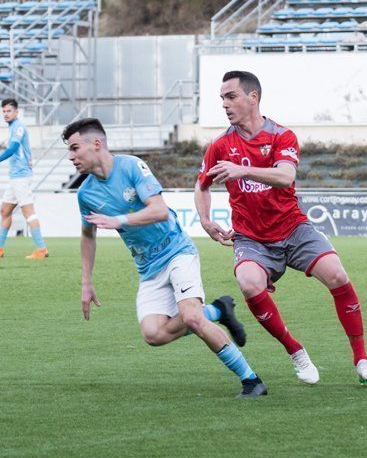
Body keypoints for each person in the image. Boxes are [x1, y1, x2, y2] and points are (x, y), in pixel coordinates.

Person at [195, 70, 367, 385]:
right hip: (251, 237)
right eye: (222, 99)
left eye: (231, 96)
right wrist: (205, 220)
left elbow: (285, 177)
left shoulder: (282, 135)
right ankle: (296, 352)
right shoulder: (220, 146)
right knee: (248, 281)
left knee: (336, 273)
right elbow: (202, 185)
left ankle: (362, 359)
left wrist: (242, 170)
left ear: (253, 97)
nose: (225, 105)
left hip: (293, 229)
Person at [65, 117, 266, 398]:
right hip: (148, 268)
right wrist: (86, 282)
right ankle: (218, 310)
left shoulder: (132, 166)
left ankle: (251, 379)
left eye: (75, 148)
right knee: (153, 335)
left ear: (96, 144)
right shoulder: (85, 193)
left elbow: (159, 210)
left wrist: (118, 219)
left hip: (176, 252)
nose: (71, 156)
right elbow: (88, 235)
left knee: (192, 318)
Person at [0, 99, 48, 260]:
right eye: (3, 111)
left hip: (21, 177)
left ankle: (41, 249)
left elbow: (11, 149)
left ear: (16, 112)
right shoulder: (13, 127)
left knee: (28, 212)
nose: (6, 113)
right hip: (15, 177)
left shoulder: (18, 127)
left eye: (9, 111)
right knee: (5, 211)